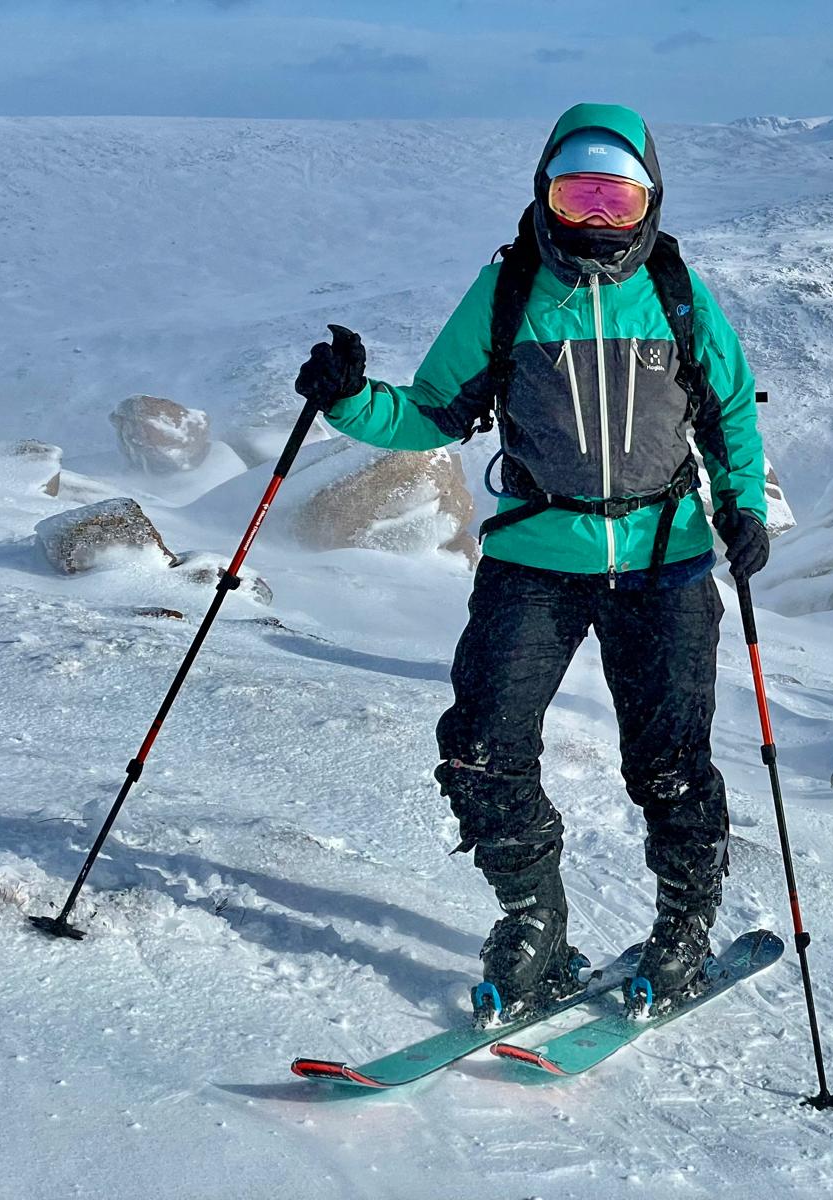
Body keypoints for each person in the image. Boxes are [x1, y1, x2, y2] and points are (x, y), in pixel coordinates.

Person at [292, 103, 770, 1015]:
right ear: (544, 196)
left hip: (664, 559)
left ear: (650, 201)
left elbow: (730, 411)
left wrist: (743, 508)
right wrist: (350, 400)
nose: (595, 219)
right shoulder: (508, 291)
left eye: (615, 199)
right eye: (576, 194)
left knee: (669, 762)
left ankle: (682, 928)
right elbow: (431, 411)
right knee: (481, 747)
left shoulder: (676, 294)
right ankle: (533, 920)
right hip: (536, 558)